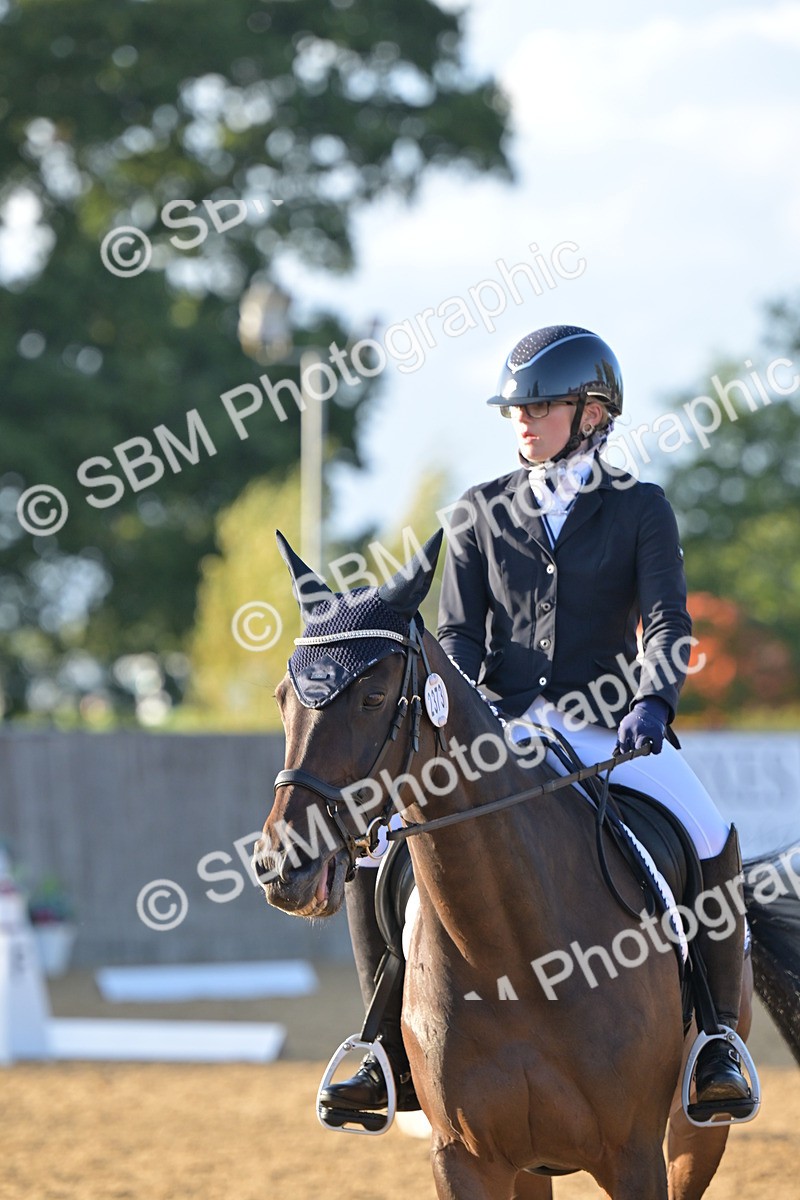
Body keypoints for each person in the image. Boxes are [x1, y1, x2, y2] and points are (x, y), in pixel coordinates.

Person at [319, 324, 752, 1120]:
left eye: (542, 406)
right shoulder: (479, 512)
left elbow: (666, 625)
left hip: (611, 731)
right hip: (502, 730)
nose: (523, 419)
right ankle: (380, 1046)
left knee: (707, 831)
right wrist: (464, 714)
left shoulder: (640, 510)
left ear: (593, 413)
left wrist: (653, 703)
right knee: (382, 848)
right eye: (515, 408)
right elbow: (455, 637)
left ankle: (717, 1040)